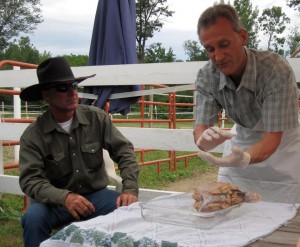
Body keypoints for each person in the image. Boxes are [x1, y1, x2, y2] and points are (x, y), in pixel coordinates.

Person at [18, 57, 140, 247]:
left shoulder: (96, 118)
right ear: (46, 95)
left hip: (95, 197)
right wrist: (64, 197)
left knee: (128, 210)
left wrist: (130, 189)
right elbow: (30, 180)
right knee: (33, 218)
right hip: (54, 203)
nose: (72, 92)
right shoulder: (33, 135)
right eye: (62, 88)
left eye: (74, 85)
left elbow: (124, 150)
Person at [193, 4, 300, 204]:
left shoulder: (275, 70)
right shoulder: (207, 76)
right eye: (210, 49)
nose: (218, 56)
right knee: (229, 203)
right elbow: (200, 129)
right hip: (241, 139)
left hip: (283, 146)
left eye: (224, 44)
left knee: (285, 214)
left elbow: (272, 140)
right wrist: (204, 141)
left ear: (243, 37)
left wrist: (245, 158)